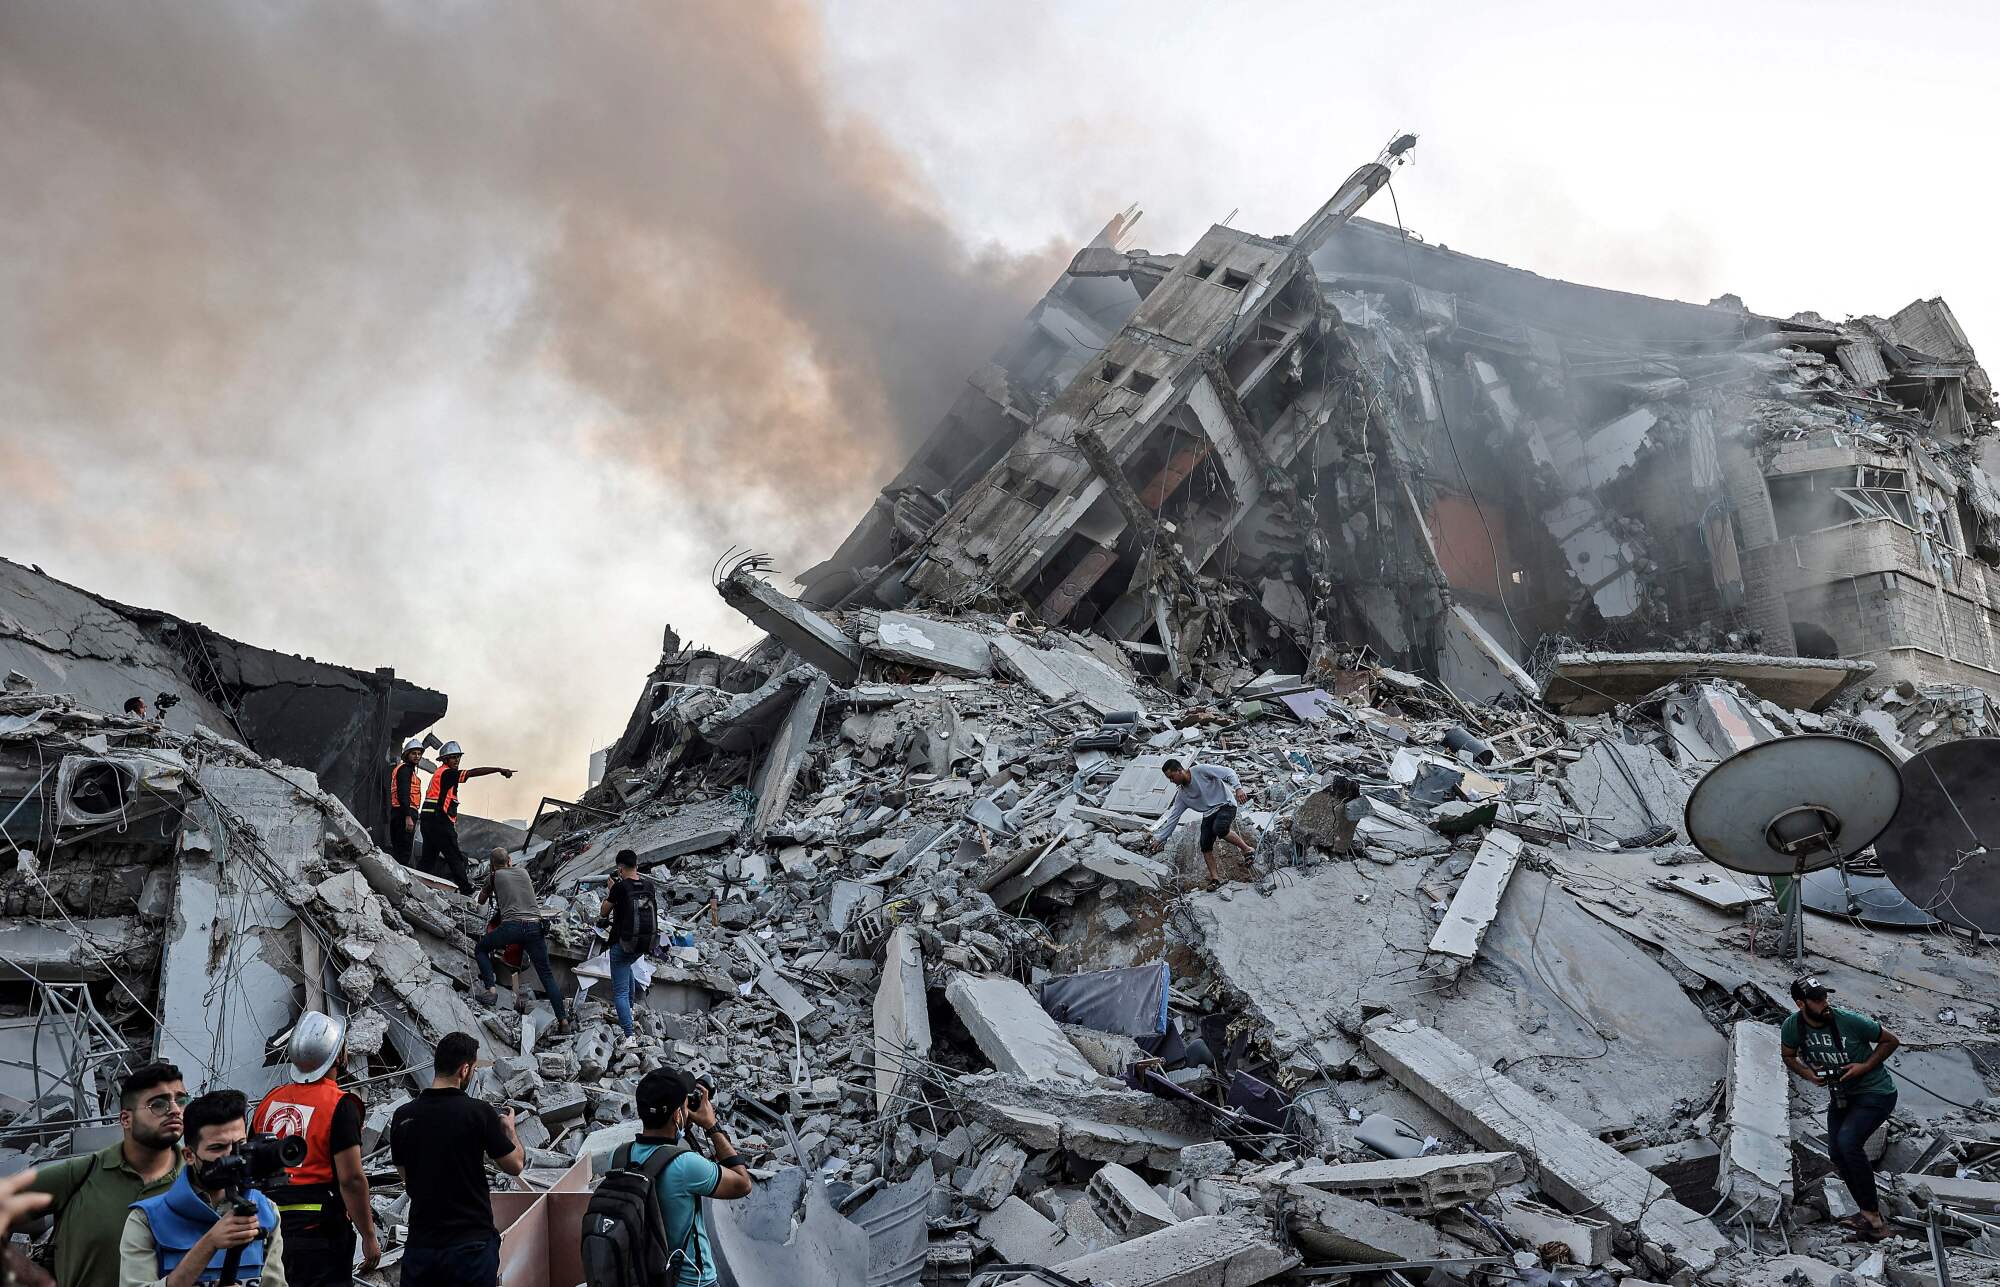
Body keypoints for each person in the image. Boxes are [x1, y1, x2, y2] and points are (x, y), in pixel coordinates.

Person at [27, 1061, 185, 1287]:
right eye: (157, 1104)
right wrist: (33, 1278)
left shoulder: (194, 1184)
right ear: (125, 1119)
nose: (175, 1110)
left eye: (181, 1100)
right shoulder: (82, 1173)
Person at [251, 1013, 380, 1285]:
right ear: (338, 1056)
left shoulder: (269, 1100)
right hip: (318, 1235)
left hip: (268, 1231)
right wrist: (368, 1236)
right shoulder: (340, 1105)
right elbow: (352, 1179)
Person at [389, 1032, 525, 1287]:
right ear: (464, 1070)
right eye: (473, 1068)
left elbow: (407, 1178)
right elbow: (515, 1165)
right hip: (470, 1249)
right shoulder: (478, 1113)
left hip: (422, 1248)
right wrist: (510, 1131)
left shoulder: (402, 1116)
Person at [121, 1089, 284, 1287]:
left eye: (240, 1145)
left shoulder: (266, 1211)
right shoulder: (146, 1219)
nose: (232, 1156)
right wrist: (209, 1243)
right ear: (189, 1155)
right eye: (217, 1148)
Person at [1780, 974, 1900, 1241]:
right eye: (1817, 999)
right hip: (1842, 1096)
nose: (1824, 1003)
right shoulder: (1792, 1027)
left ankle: (1875, 1222)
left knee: (1849, 1142)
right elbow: (1788, 1054)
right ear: (1801, 1004)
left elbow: (1891, 1040)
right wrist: (1808, 1073)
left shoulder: (1849, 1020)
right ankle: (1867, 1212)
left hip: (1875, 1092)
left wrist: (1865, 1066)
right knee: (1837, 1151)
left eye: (1824, 996)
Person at [626, 1069, 753, 1286]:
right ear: (677, 1116)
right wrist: (711, 1126)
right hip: (692, 1280)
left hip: (645, 1276)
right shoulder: (686, 1165)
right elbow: (743, 1184)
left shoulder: (620, 1156)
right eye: (685, 1105)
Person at [475, 848, 570, 1032]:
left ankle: (491, 990)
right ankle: (563, 1021)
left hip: (512, 927)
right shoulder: (524, 872)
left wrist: (490, 884)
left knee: (481, 949)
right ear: (510, 860)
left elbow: (480, 900)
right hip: (535, 926)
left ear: (492, 865)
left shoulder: (494, 876)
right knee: (547, 975)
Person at [419, 741, 514, 895]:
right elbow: (472, 773)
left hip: (428, 821)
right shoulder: (447, 773)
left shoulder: (440, 774)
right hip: (439, 822)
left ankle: (416, 884)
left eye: (458, 757)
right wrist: (498, 769)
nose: (456, 760)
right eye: (453, 757)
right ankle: (467, 890)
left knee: (428, 858)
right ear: (445, 759)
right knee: (454, 856)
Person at [1147, 759, 1255, 887]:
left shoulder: (1200, 771)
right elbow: (1173, 818)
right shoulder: (1182, 795)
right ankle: (1215, 879)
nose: (1171, 781)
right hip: (1209, 813)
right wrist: (1160, 838)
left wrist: (1238, 788)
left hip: (1225, 804)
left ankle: (1247, 850)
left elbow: (1228, 772)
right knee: (1205, 845)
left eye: (1172, 777)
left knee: (1220, 829)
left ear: (1180, 770)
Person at [598, 850, 655, 1047]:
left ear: (620, 868)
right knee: (628, 970)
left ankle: (629, 1036)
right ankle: (629, 1013)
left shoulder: (620, 887)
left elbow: (604, 912)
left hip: (622, 943)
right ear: (636, 865)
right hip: (642, 944)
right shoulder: (648, 885)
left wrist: (611, 890)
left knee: (620, 992)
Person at [388, 738, 427, 866]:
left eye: (419, 753)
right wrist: (408, 816)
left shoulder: (403, 769)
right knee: (404, 851)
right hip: (405, 812)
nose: (417, 756)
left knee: (399, 850)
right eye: (413, 753)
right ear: (407, 754)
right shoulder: (406, 770)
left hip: (399, 812)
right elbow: (403, 793)